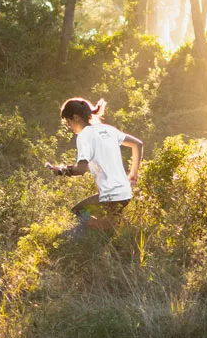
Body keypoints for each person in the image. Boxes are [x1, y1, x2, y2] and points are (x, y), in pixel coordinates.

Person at [45, 97, 142, 237]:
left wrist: (60, 170)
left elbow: (81, 169)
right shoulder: (108, 129)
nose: (69, 126)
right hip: (125, 193)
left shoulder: (84, 136)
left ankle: (110, 229)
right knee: (104, 218)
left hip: (110, 196)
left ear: (76, 117)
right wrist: (133, 174)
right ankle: (116, 229)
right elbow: (138, 144)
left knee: (78, 213)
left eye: (68, 122)